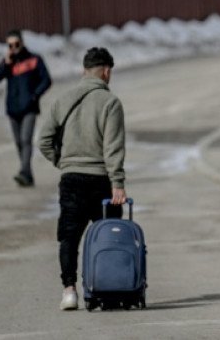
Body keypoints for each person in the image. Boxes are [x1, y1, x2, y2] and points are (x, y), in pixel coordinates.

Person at [37, 47, 127, 311]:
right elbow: (113, 147)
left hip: (72, 180)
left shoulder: (62, 99)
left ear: (84, 71)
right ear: (106, 72)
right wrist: (117, 183)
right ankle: (108, 288)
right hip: (101, 182)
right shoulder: (110, 103)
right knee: (109, 237)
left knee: (69, 236)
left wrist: (64, 162)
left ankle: (69, 291)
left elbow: (43, 141)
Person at [0, 28, 52, 187]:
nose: (13, 48)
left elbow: (46, 80)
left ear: (22, 43)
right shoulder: (8, 62)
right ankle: (27, 174)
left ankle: (24, 171)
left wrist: (35, 95)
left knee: (26, 140)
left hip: (29, 108)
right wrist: (5, 64)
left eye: (16, 44)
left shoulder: (34, 59)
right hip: (13, 109)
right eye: (9, 45)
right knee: (18, 142)